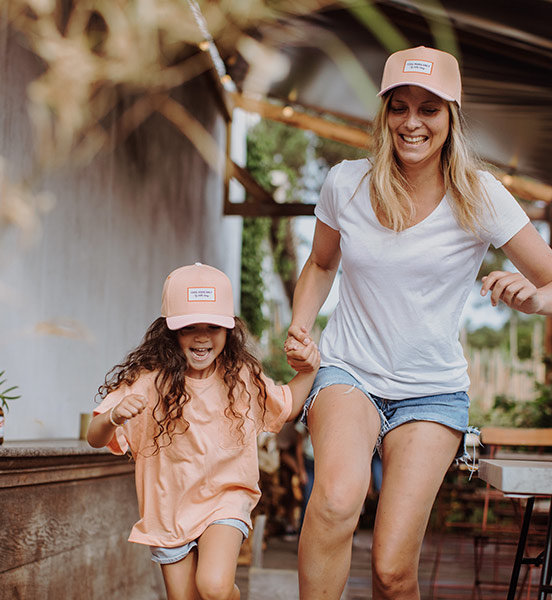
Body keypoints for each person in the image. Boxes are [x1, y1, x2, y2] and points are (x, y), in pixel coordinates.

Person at [284, 45, 552, 599]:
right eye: (399, 106)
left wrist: (536, 301)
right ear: (383, 112)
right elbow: (322, 263)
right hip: (348, 372)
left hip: (432, 392)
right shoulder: (346, 183)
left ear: (452, 116)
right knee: (335, 501)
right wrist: (300, 326)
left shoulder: (481, 195)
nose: (412, 122)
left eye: (429, 108)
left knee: (392, 570)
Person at [87, 262, 320, 600]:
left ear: (229, 330)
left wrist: (310, 370)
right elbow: (95, 437)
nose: (202, 337)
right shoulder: (148, 380)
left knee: (213, 586)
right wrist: (113, 416)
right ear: (170, 332)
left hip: (226, 499)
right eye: (188, 328)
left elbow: (286, 406)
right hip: (168, 510)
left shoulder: (240, 376)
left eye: (213, 326)